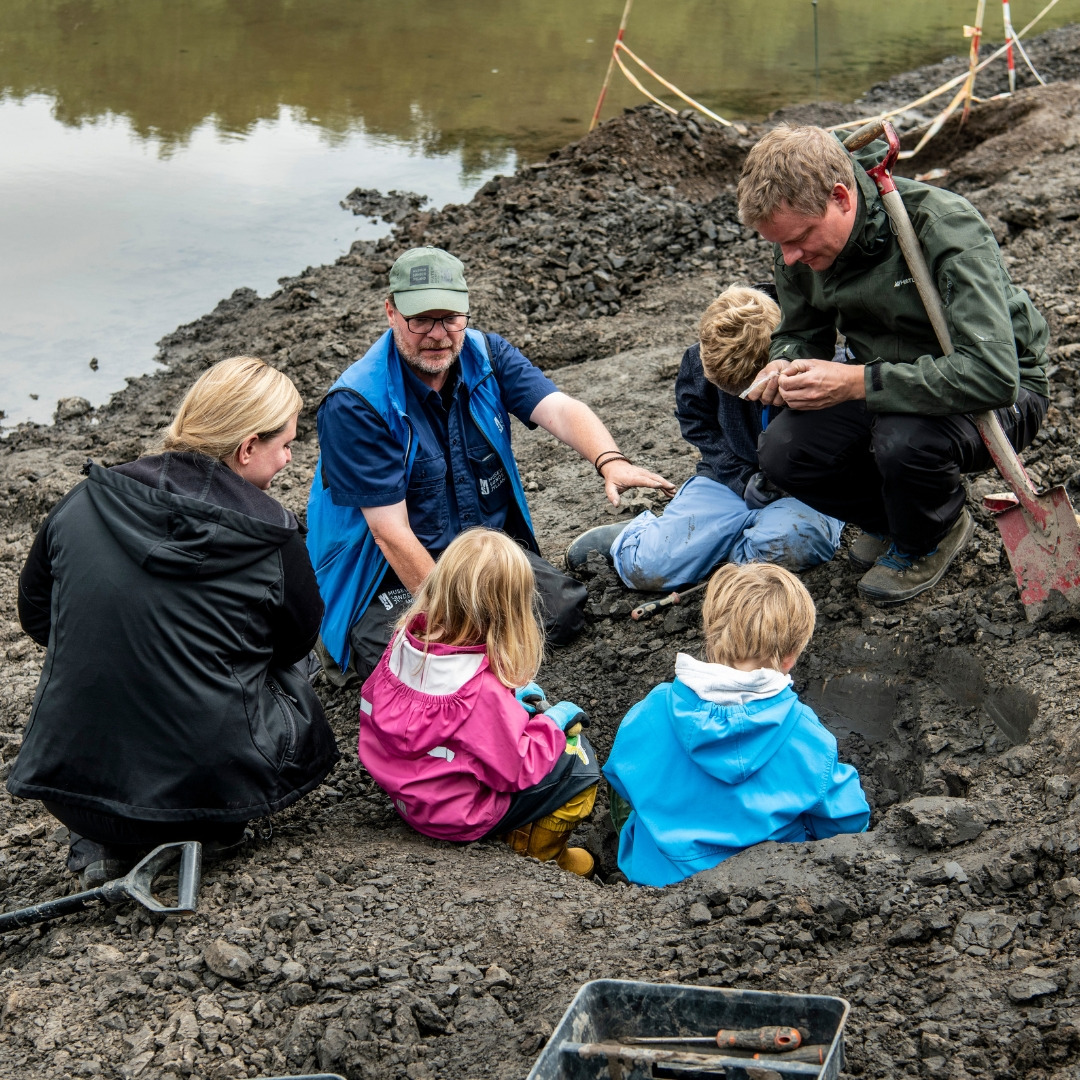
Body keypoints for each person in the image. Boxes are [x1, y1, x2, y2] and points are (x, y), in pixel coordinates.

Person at [10, 356, 339, 888]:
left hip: (70, 790)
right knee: (297, 661)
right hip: (211, 798)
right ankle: (205, 833)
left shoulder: (85, 499)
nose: (289, 459)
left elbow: (37, 617)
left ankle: (103, 839)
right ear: (247, 447)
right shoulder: (273, 537)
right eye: (285, 445)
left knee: (92, 637)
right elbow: (294, 643)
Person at [306, 246, 675, 684]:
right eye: (420, 319)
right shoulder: (356, 403)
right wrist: (459, 620)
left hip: (478, 554)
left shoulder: (487, 355)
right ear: (391, 312)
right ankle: (337, 642)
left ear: (466, 311)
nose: (438, 334)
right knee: (417, 665)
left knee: (562, 612)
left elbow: (558, 408)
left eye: (450, 318)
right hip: (385, 575)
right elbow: (390, 534)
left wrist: (609, 460)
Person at [736, 124, 1049, 604]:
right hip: (886, 383)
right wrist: (785, 363)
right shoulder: (795, 246)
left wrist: (858, 382)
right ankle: (898, 521)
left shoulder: (941, 225)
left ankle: (932, 534)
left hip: (1001, 397)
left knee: (903, 440)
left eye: (799, 239)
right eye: (777, 244)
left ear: (841, 197)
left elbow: (993, 375)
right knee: (784, 451)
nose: (789, 257)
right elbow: (801, 333)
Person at [603, 562, 869, 887]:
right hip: (765, 895)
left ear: (711, 632)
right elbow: (846, 821)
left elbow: (621, 779)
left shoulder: (653, 710)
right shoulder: (805, 734)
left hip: (657, 883)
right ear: (791, 656)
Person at [566, 285, 842, 590]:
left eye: (747, 392)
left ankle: (708, 550)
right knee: (647, 569)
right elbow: (697, 423)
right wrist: (741, 478)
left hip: (803, 493)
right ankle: (643, 536)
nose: (740, 399)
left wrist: (798, 480)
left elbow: (841, 446)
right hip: (728, 480)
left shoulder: (819, 365)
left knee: (800, 542)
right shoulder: (702, 359)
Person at [358, 528, 600, 876]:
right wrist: (554, 722)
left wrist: (512, 701)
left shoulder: (403, 643)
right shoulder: (480, 691)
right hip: (462, 816)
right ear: (509, 612)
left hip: (410, 797)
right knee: (580, 763)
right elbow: (516, 771)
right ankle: (539, 856)